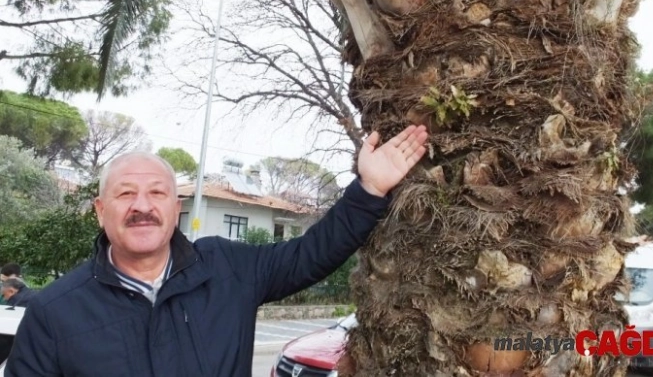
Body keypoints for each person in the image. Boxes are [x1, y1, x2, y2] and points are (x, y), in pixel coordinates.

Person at [5, 125, 429, 377]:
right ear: (100, 210)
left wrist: (370, 189)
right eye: (125, 194)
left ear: (175, 207)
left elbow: (310, 253)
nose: (142, 207)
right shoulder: (55, 311)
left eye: (157, 193)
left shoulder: (227, 269)